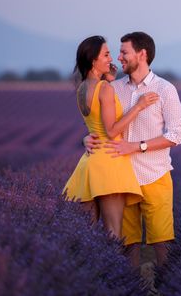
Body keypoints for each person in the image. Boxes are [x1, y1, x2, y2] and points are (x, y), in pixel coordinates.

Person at [84, 31, 181, 268]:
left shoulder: (165, 89)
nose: (118, 58)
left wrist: (136, 146)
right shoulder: (113, 88)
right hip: (121, 178)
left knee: (162, 243)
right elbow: (103, 124)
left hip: (155, 175)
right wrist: (86, 138)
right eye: (118, 53)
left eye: (124, 52)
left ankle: (166, 287)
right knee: (127, 245)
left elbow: (175, 136)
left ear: (142, 54)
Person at [63, 35, 160, 239]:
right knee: (114, 236)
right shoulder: (104, 89)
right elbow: (112, 131)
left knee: (84, 237)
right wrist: (139, 106)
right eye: (106, 55)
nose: (111, 59)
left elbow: (94, 123)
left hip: (89, 164)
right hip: (110, 163)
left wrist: (108, 80)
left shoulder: (82, 88)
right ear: (93, 60)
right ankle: (116, 272)